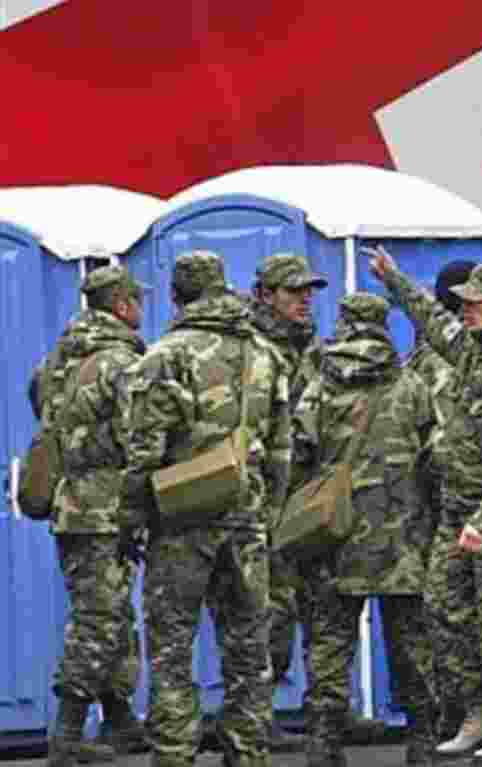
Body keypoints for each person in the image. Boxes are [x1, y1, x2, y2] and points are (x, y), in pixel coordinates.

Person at [367, 248, 482, 763]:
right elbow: (430, 317)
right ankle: (480, 710)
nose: (463, 310)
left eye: (474, 303)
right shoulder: (474, 348)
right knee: (445, 609)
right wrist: (394, 278)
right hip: (457, 512)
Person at [120, 250, 292, 767]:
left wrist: (132, 521)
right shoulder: (265, 354)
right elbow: (281, 451)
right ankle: (248, 753)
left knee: (172, 650)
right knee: (247, 652)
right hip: (247, 521)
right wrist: (269, 512)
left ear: (176, 295)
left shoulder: (162, 357)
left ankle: (174, 754)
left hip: (180, 523)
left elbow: (143, 455)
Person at [291, 293, 437, 767]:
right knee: (411, 640)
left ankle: (323, 742)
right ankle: (422, 740)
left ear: (344, 324)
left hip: (336, 531)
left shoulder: (319, 385)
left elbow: (297, 453)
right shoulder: (412, 384)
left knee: (331, 639)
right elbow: (437, 457)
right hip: (403, 533)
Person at [45, 266, 148, 767]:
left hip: (73, 505)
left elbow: (44, 414)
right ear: (123, 305)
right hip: (107, 509)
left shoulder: (60, 359)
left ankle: (121, 718)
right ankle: (66, 734)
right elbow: (141, 434)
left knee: (112, 614)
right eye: (137, 301)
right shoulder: (120, 361)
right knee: (98, 619)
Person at [248, 252, 327, 751]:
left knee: (322, 608)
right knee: (269, 612)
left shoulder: (314, 349)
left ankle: (326, 714)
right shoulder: (253, 350)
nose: (304, 300)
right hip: (266, 501)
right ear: (265, 295)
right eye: (292, 291)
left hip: (310, 498)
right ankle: (258, 717)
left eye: (308, 291)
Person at [403, 259, 475, 742]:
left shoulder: (430, 356)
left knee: (441, 608)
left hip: (435, 498)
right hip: (475, 496)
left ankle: (448, 711)